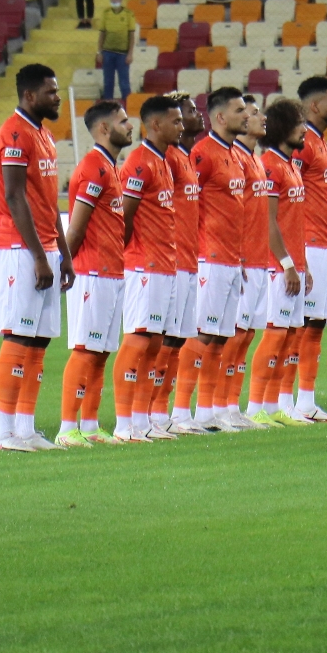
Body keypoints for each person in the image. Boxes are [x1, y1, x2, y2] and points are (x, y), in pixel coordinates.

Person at [0, 64, 73, 451]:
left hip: (46, 249)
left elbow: (48, 199)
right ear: (29, 95)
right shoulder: (14, 133)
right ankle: (4, 432)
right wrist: (39, 256)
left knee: (39, 341)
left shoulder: (45, 135)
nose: (57, 97)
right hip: (18, 248)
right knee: (19, 334)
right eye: (51, 92)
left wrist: (63, 253)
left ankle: (25, 429)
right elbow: (14, 196)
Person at [57, 99, 133, 447]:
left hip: (112, 272)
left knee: (101, 352)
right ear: (104, 128)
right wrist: (65, 266)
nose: (130, 126)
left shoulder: (109, 167)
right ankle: (66, 427)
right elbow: (75, 227)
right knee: (86, 348)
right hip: (91, 273)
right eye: (123, 120)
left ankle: (89, 424)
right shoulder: (93, 168)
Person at [111, 95, 184, 442]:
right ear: (155, 124)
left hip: (164, 265)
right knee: (138, 341)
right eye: (176, 121)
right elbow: (124, 216)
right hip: (144, 265)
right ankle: (124, 423)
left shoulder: (163, 162)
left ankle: (141, 420)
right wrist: (126, 257)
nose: (181, 127)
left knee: (154, 344)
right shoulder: (139, 163)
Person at [187, 85, 259, 432]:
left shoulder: (234, 155)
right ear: (218, 117)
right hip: (209, 256)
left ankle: (207, 412)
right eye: (239, 110)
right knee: (202, 335)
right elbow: (187, 204)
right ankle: (179, 414)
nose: (246, 116)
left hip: (232, 259)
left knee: (218, 338)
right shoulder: (203, 153)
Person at [247, 98, 313, 427]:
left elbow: (291, 221)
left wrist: (303, 266)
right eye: (299, 122)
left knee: (290, 337)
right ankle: (256, 404)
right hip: (277, 266)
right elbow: (268, 221)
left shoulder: (290, 165)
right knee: (275, 335)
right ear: (284, 127)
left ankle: (273, 406)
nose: (304, 128)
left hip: (293, 264)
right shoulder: (270, 165)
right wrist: (287, 263)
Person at [150, 92, 206, 436]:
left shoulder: (185, 157)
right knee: (164, 340)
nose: (192, 117)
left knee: (178, 341)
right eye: (186, 113)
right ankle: (152, 413)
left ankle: (168, 413)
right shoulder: (168, 158)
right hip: (169, 262)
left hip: (188, 258)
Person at [290, 76, 327, 422]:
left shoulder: (321, 142)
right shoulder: (303, 143)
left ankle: (306, 401)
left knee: (316, 324)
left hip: (324, 244)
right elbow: (289, 195)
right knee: (300, 325)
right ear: (314, 106)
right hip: (307, 243)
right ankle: (285, 400)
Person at [228, 98, 277, 426]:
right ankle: (217, 406)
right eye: (254, 112)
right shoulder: (235, 160)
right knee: (230, 335)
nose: (261, 118)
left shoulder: (255, 160)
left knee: (245, 336)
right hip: (240, 261)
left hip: (259, 260)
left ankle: (231, 405)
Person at [94, 0, 137, 99]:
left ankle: (127, 107)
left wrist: (130, 54)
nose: (114, 0)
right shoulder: (106, 13)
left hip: (122, 54)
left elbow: (131, 35)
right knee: (108, 83)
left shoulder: (128, 13)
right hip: (107, 52)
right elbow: (102, 34)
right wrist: (99, 52)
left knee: (124, 83)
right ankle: (108, 109)